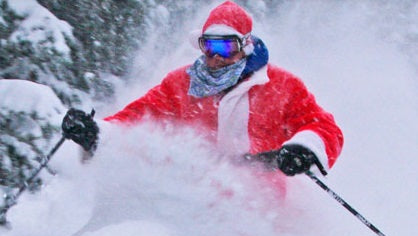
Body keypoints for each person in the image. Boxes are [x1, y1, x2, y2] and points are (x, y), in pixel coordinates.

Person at [62, 1, 343, 189]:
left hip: (263, 207)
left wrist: (304, 149)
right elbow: (138, 117)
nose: (215, 57)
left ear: (244, 46)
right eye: (209, 47)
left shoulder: (279, 85)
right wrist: (98, 133)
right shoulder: (181, 84)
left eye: (225, 48)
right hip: (195, 199)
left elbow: (322, 126)